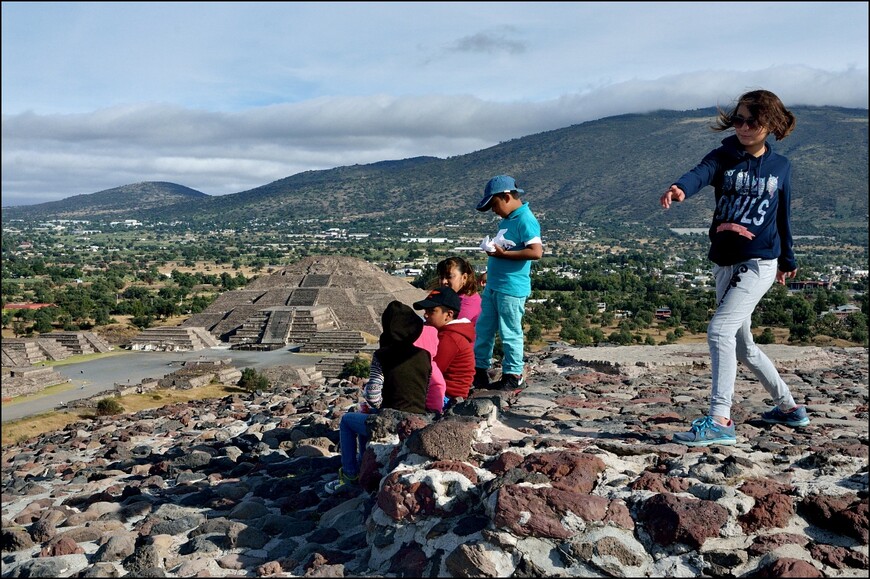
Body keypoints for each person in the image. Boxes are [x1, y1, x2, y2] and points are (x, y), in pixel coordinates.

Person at [660, 89, 809, 447]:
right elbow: (701, 173)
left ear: (770, 125)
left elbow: (783, 216)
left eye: (752, 121)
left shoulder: (781, 167)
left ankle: (720, 419)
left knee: (718, 332)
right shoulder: (724, 156)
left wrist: (787, 260)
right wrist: (681, 188)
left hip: (759, 263)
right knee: (743, 346)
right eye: (738, 119)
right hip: (724, 262)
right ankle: (788, 407)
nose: (743, 126)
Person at [324, 301, 432, 493]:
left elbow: (373, 395)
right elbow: (427, 387)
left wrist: (379, 407)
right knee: (369, 420)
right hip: (419, 419)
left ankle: (350, 475)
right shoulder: (425, 355)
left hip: (391, 420)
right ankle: (367, 465)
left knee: (348, 421)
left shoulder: (382, 355)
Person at [473, 175, 543, 391]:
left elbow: (536, 252)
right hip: (495, 284)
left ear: (506, 197)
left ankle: (513, 374)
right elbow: (507, 249)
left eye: (494, 205)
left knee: (509, 331)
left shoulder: (525, 219)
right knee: (484, 328)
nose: (494, 210)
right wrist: (488, 271)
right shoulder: (508, 220)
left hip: (511, 288)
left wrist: (502, 256)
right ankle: (479, 371)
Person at [413, 286, 475, 407]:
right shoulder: (450, 334)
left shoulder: (450, 338)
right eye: (425, 311)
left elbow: (431, 371)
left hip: (447, 397)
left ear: (448, 314)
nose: (425, 315)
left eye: (431, 311)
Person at [435, 256, 481, 325]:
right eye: (442, 277)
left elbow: (449, 326)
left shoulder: (467, 303)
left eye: (449, 277)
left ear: (464, 277)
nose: (443, 281)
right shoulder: (451, 297)